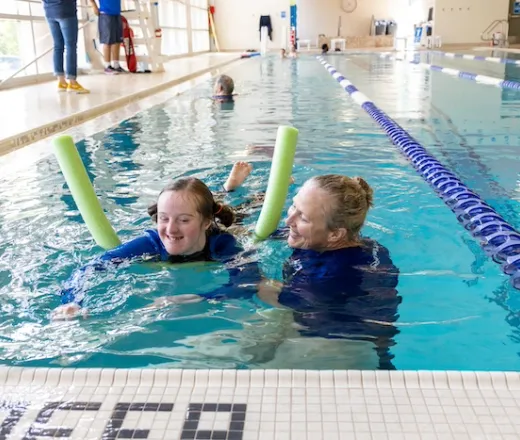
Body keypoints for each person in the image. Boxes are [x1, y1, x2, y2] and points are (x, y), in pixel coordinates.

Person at [160, 170, 402, 369]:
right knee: (209, 347)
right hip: (308, 319)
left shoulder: (338, 273)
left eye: (303, 218)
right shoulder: (328, 239)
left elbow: (261, 287)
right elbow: (258, 235)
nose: (289, 220)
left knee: (230, 362)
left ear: (335, 234)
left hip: (342, 346)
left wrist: (202, 297)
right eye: (293, 207)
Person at [52, 163, 260, 320]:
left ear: (206, 222)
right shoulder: (150, 244)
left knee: (243, 214)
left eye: (183, 220)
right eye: (164, 218)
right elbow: (86, 269)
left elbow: (248, 282)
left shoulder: (223, 245)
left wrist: (200, 298)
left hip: (224, 227)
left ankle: (232, 190)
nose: (170, 229)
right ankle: (228, 189)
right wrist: (72, 302)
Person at [42, 0, 89, 93]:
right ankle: (72, 82)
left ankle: (61, 82)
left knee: (58, 46)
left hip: (49, 12)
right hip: (66, 11)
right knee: (70, 46)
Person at [89, 0, 125, 74]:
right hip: (105, 14)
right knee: (107, 41)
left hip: (117, 13)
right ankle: (107, 66)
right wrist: (94, 6)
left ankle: (116, 65)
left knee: (117, 40)